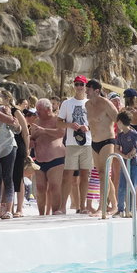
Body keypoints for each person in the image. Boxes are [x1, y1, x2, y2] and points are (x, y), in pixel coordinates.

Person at [58, 75, 92, 213]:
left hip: (87, 143)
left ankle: (82, 206)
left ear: (85, 86)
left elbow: (96, 122)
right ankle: (62, 207)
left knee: (85, 175)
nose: (79, 87)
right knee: (68, 175)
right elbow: (58, 122)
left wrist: (88, 128)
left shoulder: (89, 103)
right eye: (77, 84)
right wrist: (70, 125)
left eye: (81, 84)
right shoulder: (67, 103)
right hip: (72, 142)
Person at [85, 80, 119, 214]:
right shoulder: (87, 105)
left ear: (97, 91)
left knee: (104, 173)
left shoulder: (106, 104)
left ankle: (102, 206)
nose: (86, 91)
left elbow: (119, 121)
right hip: (94, 142)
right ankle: (115, 205)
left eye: (88, 89)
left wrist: (121, 141)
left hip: (107, 141)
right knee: (101, 175)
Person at [0, 90, 21, 220]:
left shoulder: (3, 108)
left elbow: (17, 128)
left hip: (8, 145)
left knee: (8, 177)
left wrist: (14, 122)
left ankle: (8, 209)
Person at [30, 98, 66, 215]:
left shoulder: (57, 120)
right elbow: (33, 136)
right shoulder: (37, 121)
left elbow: (60, 133)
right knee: (40, 188)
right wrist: (31, 140)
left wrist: (44, 131)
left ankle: (55, 211)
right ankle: (41, 213)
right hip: (40, 159)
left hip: (56, 159)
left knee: (54, 187)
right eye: (36, 110)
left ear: (48, 110)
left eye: (39, 110)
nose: (37, 112)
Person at [115, 111, 137, 217]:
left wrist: (135, 149)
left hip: (134, 162)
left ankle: (131, 209)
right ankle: (120, 209)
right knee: (122, 186)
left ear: (121, 121)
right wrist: (124, 156)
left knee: (133, 185)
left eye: (117, 121)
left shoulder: (132, 133)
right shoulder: (119, 135)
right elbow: (116, 149)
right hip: (125, 162)